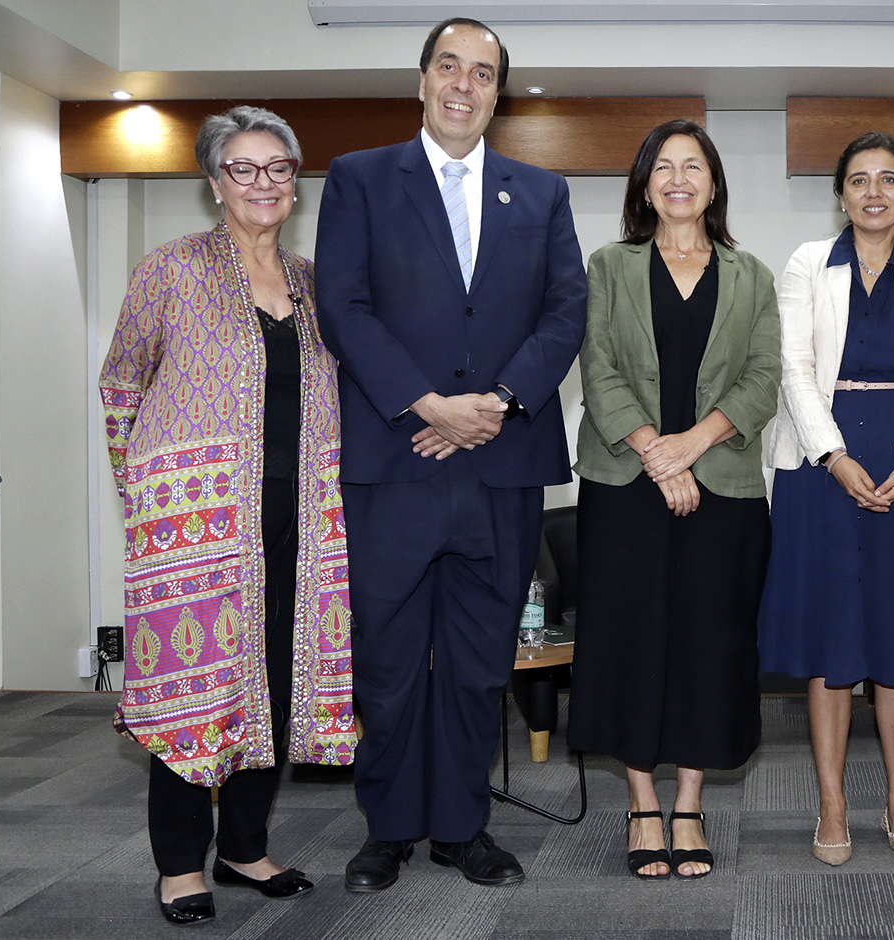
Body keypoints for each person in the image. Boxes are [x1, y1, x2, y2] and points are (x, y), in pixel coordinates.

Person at [315, 17, 586, 892]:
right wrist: (428, 403)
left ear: (498, 92)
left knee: (477, 665)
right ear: (422, 80)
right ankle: (388, 829)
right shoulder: (360, 179)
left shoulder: (540, 193)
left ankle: (464, 827)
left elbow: (565, 312)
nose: (464, 85)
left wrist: (498, 405)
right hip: (395, 463)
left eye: (482, 72)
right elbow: (344, 308)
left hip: (499, 468)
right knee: (387, 664)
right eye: (448, 67)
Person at [100, 105, 355, 925]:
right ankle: (179, 863)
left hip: (301, 516)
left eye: (279, 168)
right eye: (244, 169)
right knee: (191, 685)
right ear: (215, 183)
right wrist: (140, 497)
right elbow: (121, 384)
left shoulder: (316, 281)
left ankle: (244, 846)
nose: (264, 183)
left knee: (275, 685)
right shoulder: (169, 269)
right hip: (197, 525)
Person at [567, 120, 780, 880]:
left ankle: (687, 803)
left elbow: (763, 378)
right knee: (629, 637)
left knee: (708, 642)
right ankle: (641, 804)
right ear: (645, 183)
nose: (679, 178)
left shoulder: (750, 273)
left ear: (714, 183)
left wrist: (689, 448)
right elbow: (599, 371)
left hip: (722, 488)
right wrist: (658, 454)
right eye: (664, 167)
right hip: (624, 485)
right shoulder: (609, 266)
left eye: (694, 167)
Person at [758, 132, 894, 866]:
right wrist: (835, 456)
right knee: (831, 644)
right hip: (821, 470)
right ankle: (834, 806)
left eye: (887, 179)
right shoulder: (807, 264)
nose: (873, 192)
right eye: (858, 181)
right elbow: (792, 368)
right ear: (840, 194)